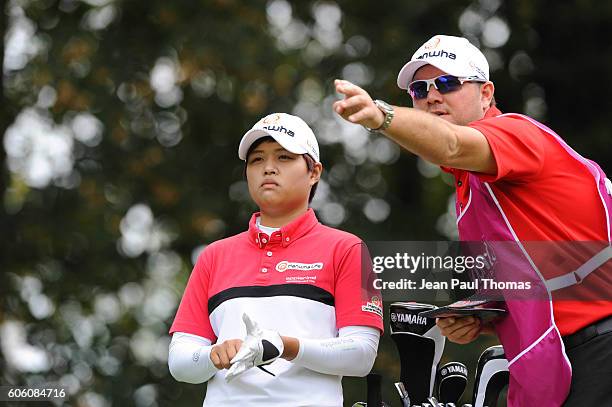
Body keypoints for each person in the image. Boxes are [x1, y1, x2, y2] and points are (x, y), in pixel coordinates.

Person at [333, 35, 611, 406]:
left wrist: (382, 117)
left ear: (486, 94)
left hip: (600, 347)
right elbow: (534, 287)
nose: (432, 96)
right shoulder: (470, 187)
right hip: (568, 357)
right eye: (419, 89)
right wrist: (481, 320)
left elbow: (450, 143)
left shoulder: (515, 133)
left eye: (448, 83)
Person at [168, 112, 383, 406]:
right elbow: (180, 363)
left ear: (314, 172)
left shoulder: (350, 249)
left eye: (283, 157)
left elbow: (362, 355)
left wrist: (285, 346)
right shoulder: (213, 256)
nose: (268, 168)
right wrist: (212, 356)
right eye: (257, 159)